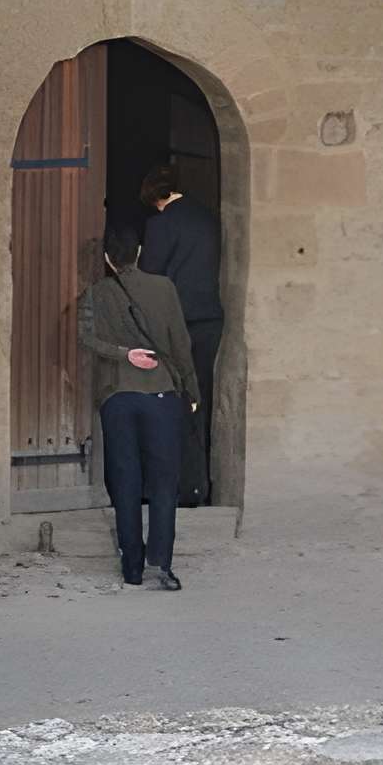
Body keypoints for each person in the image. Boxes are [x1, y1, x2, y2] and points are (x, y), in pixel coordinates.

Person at [79, 224, 200, 591]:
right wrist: (192, 390)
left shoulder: (96, 294)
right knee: (164, 482)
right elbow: (180, 342)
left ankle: (131, 567)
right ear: (140, 251)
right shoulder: (165, 288)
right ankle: (161, 564)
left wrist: (122, 354)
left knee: (125, 481)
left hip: (117, 398)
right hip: (161, 394)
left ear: (107, 259)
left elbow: (84, 337)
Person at [139, 170, 223, 506]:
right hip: (209, 319)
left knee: (166, 401)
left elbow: (149, 277)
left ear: (153, 199)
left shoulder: (161, 224)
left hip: (177, 324)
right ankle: (196, 485)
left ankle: (171, 485)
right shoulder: (207, 217)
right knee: (197, 400)